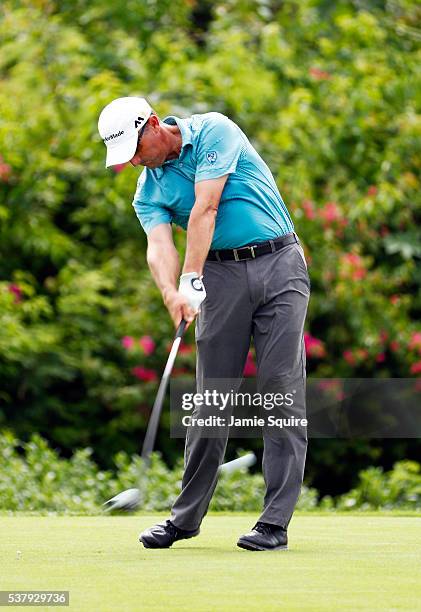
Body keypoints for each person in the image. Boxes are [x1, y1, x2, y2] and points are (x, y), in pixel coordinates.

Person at [98, 96, 311, 551]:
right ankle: (184, 519)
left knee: (280, 391)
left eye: (135, 149)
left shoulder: (214, 131)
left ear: (154, 124)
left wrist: (191, 277)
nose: (134, 161)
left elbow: (205, 208)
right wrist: (171, 291)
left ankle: (274, 523)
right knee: (211, 397)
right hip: (220, 275)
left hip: (279, 263)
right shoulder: (147, 190)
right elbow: (159, 246)